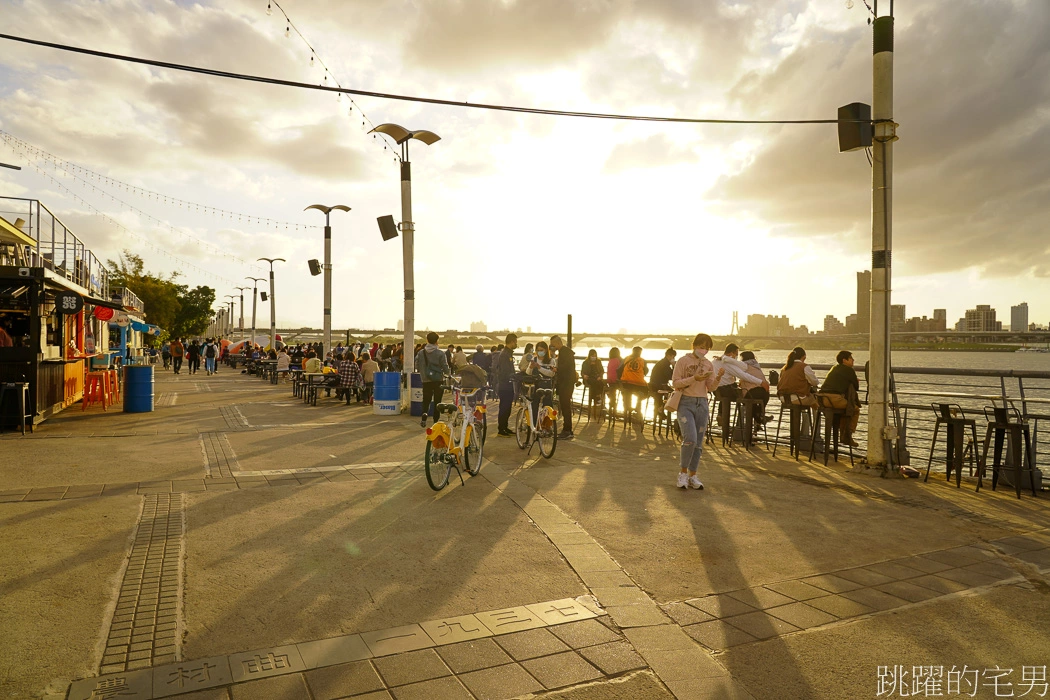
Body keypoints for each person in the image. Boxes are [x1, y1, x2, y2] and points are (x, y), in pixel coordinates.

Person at [671, 333, 724, 490]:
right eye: (702, 347)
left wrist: (718, 378)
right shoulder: (683, 361)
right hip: (685, 402)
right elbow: (676, 383)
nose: (704, 350)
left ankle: (693, 475)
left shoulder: (708, 364)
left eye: (707, 348)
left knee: (698, 442)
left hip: (702, 403)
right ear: (694, 345)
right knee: (690, 438)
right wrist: (694, 378)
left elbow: (711, 387)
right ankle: (683, 473)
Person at [712, 344, 770, 432]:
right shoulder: (728, 364)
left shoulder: (714, 361)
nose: (736, 357)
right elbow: (744, 375)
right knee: (746, 399)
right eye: (736, 354)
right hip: (727, 391)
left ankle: (721, 414)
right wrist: (761, 382)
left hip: (716, 391)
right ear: (731, 353)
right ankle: (744, 426)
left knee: (727, 397)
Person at [818, 350, 861, 447]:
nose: (853, 360)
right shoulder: (849, 370)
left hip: (822, 399)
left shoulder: (834, 368)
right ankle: (847, 435)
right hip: (834, 400)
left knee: (844, 410)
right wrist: (855, 381)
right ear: (844, 360)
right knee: (854, 409)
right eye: (851, 358)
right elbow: (856, 387)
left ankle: (843, 436)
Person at [417, 332, 450, 427]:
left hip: (425, 380)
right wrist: (448, 374)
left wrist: (423, 373)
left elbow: (417, 365)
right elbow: (445, 366)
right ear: (436, 341)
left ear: (427, 340)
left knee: (426, 399)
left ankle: (424, 416)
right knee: (437, 401)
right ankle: (436, 421)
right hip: (438, 380)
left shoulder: (421, 352)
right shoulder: (440, 353)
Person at [550, 335, 576, 439]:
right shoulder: (566, 352)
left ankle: (567, 430)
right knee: (565, 406)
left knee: (565, 407)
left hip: (566, 383)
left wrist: (557, 369)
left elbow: (565, 367)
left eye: (553, 344)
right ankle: (567, 429)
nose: (552, 346)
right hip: (567, 383)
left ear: (557, 343)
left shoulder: (564, 352)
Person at [737, 351, 771, 430]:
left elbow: (742, 381)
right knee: (759, 402)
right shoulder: (757, 366)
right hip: (763, 392)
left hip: (750, 392)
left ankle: (758, 420)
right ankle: (760, 417)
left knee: (750, 404)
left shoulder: (744, 366)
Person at [495, 333, 518, 437]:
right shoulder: (505, 354)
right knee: (504, 407)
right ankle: (501, 429)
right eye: (515, 342)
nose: (516, 344)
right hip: (505, 385)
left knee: (507, 407)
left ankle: (505, 427)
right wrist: (514, 376)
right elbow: (504, 372)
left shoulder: (508, 353)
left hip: (508, 385)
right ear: (512, 342)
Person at [619, 347, 649, 420]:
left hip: (626, 384)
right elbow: (646, 372)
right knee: (646, 393)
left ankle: (627, 407)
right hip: (638, 385)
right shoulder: (643, 361)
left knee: (626, 393)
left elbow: (619, 369)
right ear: (640, 353)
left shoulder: (626, 359)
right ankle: (637, 407)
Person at [649, 347, 677, 417]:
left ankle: (660, 408)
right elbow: (671, 376)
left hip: (653, 385)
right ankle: (661, 407)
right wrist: (674, 366)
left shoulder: (661, 362)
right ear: (669, 356)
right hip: (660, 386)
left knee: (670, 394)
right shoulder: (665, 364)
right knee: (675, 394)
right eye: (673, 357)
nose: (673, 358)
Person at [606, 347, 623, 415]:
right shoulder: (620, 360)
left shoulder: (610, 360)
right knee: (625, 392)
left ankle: (612, 405)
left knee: (612, 392)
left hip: (610, 381)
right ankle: (626, 407)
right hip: (617, 381)